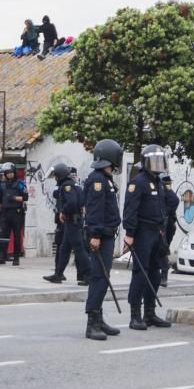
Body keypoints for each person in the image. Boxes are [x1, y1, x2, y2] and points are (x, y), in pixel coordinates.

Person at [123, 145, 172, 330]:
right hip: (142, 232)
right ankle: (135, 314)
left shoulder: (159, 182)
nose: (158, 165)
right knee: (140, 274)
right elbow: (130, 210)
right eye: (155, 161)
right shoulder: (138, 182)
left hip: (157, 232)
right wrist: (129, 234)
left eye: (161, 161)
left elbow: (170, 203)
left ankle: (149, 313)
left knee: (155, 273)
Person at [83, 139, 124, 341]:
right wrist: (96, 235)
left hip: (107, 234)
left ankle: (98, 318)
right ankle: (92, 323)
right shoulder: (97, 180)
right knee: (99, 278)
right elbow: (95, 211)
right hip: (101, 236)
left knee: (103, 278)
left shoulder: (105, 179)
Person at [44, 164, 90, 286]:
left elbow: (72, 203)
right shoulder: (73, 184)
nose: (55, 179)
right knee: (64, 248)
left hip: (72, 221)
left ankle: (90, 274)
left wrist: (63, 211)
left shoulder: (67, 186)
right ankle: (58, 274)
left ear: (60, 176)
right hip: (74, 221)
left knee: (79, 249)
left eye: (56, 176)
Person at [0, 163, 27, 265]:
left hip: (16, 213)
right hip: (4, 213)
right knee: (3, 235)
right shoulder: (2, 185)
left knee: (17, 235)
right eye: (7, 173)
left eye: (11, 173)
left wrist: (13, 198)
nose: (9, 175)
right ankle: (2, 256)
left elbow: (25, 198)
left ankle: (16, 258)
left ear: (14, 173)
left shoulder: (20, 184)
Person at [159, 173, 180, 287]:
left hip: (166, 224)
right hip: (166, 224)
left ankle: (164, 276)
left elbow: (174, 200)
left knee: (162, 249)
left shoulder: (163, 187)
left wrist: (164, 212)